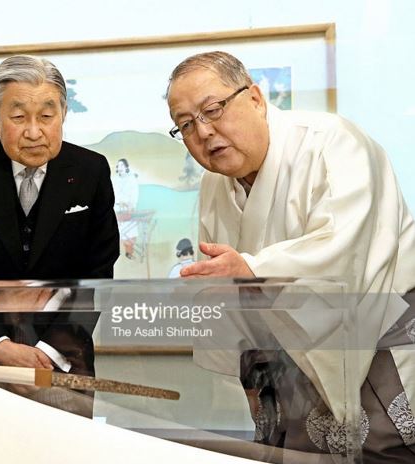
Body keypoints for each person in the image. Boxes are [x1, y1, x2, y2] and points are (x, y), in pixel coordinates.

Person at [166, 51, 415, 461]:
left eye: (212, 110)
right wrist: (250, 376)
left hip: (370, 344)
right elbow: (222, 285)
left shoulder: (331, 142)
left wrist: (254, 269)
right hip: (281, 367)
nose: (204, 132)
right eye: (186, 125)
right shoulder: (215, 185)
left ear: (256, 98)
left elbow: (345, 245)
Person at [0, 55, 118, 387]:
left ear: (63, 114)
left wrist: (50, 350)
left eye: (46, 116)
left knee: (62, 440)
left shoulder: (91, 171)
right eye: (18, 117)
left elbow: (100, 271)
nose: (34, 132)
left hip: (65, 356)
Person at [111, 158, 140, 259]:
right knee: (121, 232)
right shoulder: (114, 180)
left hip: (130, 210)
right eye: (118, 166)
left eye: (122, 165)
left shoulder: (131, 179)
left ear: (126, 167)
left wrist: (130, 205)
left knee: (132, 232)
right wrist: (119, 202)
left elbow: (134, 194)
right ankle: (122, 252)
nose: (120, 168)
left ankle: (130, 252)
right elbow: (113, 195)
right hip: (118, 210)